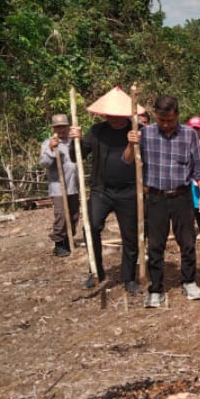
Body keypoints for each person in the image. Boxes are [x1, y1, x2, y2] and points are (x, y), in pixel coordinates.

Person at [124, 94, 200, 307]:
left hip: (182, 196)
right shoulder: (145, 134)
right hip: (156, 197)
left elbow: (198, 168)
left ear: (177, 115)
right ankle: (156, 288)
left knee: (187, 242)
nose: (166, 124)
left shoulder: (189, 134)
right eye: (161, 120)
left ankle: (189, 280)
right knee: (155, 244)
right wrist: (129, 143)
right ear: (156, 117)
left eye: (170, 120)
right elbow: (127, 160)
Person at [69, 86, 142, 293]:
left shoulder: (137, 130)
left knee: (131, 235)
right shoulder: (97, 132)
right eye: (111, 115)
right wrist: (75, 140)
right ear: (105, 114)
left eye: (120, 115)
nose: (116, 119)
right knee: (90, 227)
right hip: (102, 191)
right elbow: (77, 157)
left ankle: (129, 278)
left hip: (129, 191)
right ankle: (96, 271)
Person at [39, 113, 79, 257]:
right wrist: (50, 149)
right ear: (53, 128)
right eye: (58, 127)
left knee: (74, 214)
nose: (61, 130)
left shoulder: (73, 141)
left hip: (73, 186)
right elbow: (44, 163)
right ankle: (59, 243)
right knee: (61, 215)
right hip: (58, 188)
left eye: (63, 127)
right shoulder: (48, 143)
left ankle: (68, 239)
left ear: (68, 127)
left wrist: (78, 138)